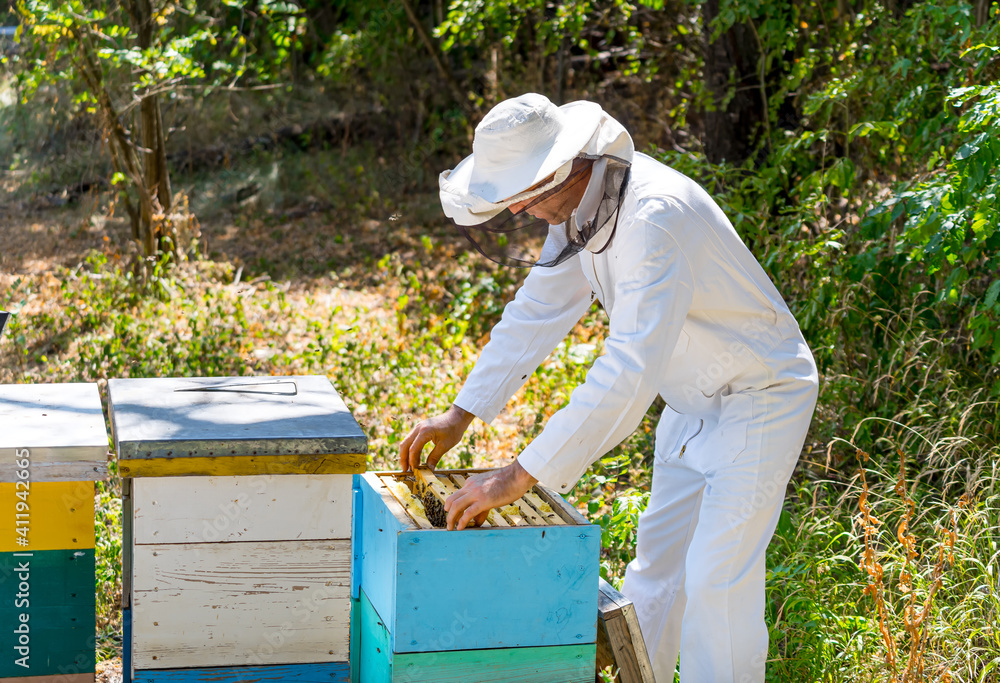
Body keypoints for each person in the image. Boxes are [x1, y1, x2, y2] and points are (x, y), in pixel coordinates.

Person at [399, 92, 818, 682]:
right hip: (691, 398)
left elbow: (629, 367)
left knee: (716, 581)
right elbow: (538, 308)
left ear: (564, 165)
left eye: (526, 195)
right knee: (656, 574)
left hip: (762, 394)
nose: (518, 212)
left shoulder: (654, 217)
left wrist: (518, 475)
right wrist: (462, 414)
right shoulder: (578, 207)